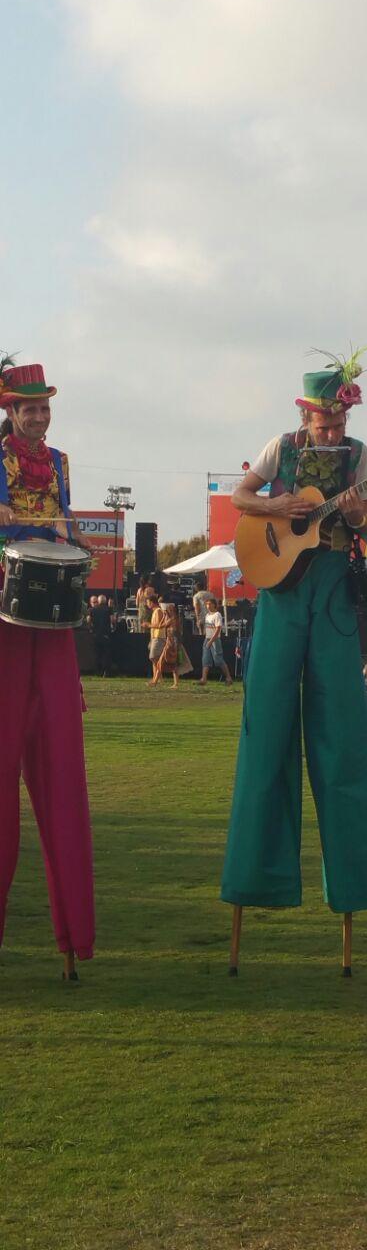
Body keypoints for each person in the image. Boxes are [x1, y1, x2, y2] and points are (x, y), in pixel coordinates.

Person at [221, 348, 367, 920]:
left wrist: (359, 514)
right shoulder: (280, 447)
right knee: (265, 729)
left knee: (342, 736)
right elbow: (239, 497)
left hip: (334, 587)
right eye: (325, 422)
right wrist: (277, 503)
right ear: (306, 415)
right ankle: (254, 880)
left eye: (340, 422)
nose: (334, 430)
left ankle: (353, 887)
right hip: (282, 591)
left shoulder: (360, 456)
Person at [0, 358, 95, 967]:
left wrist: (60, 535)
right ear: (11, 411)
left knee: (64, 762)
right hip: (5, 612)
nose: (38, 416)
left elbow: (59, 522)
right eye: (29, 407)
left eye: (44, 407)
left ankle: (75, 936)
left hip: (52, 617)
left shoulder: (59, 462)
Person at [200, 597, 233, 685]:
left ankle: (228, 677)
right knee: (206, 660)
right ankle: (204, 679)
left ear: (214, 605)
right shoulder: (207, 615)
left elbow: (218, 629)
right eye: (207, 604)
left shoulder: (217, 615)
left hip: (215, 640)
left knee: (218, 660)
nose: (208, 606)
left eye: (209, 604)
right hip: (207, 638)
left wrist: (211, 640)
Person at [88, 593, 113, 676]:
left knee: (97, 654)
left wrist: (92, 627)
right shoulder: (109, 609)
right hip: (106, 634)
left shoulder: (92, 610)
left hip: (95, 634)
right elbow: (113, 620)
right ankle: (106, 672)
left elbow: (88, 620)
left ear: (98, 601)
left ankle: (97, 671)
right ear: (105, 601)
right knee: (106, 654)